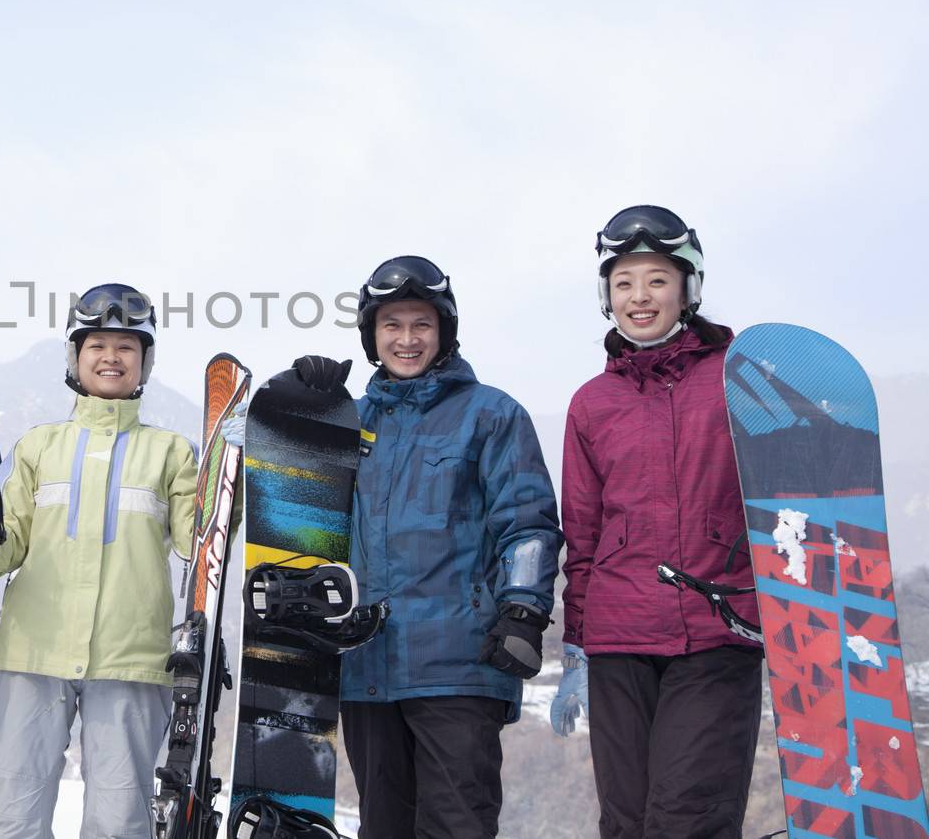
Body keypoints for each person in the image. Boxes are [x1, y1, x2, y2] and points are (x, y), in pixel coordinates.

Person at [323, 255, 561, 839]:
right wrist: (297, 414)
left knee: (458, 825)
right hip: (366, 662)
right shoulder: (347, 422)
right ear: (372, 337)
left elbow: (527, 522)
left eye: (421, 325)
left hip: (458, 662)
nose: (407, 340)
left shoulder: (492, 414)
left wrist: (523, 611)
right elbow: (301, 518)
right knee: (383, 827)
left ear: (444, 331)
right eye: (392, 326)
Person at [0, 283, 198, 839]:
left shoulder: (171, 452)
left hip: (131, 657)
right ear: (75, 357)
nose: (111, 357)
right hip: (33, 651)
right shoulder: (39, 446)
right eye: (96, 345)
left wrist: (230, 482)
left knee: (120, 821)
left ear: (145, 363)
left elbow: (197, 542)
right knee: (9, 814)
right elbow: (2, 553)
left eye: (126, 347)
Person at [552, 205, 759, 838]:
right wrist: (575, 644)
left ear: (688, 289)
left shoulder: (739, 379)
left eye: (657, 280)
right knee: (627, 821)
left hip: (718, 628)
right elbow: (581, 535)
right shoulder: (592, 403)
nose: (640, 297)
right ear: (607, 299)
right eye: (624, 284)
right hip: (619, 639)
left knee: (686, 819)